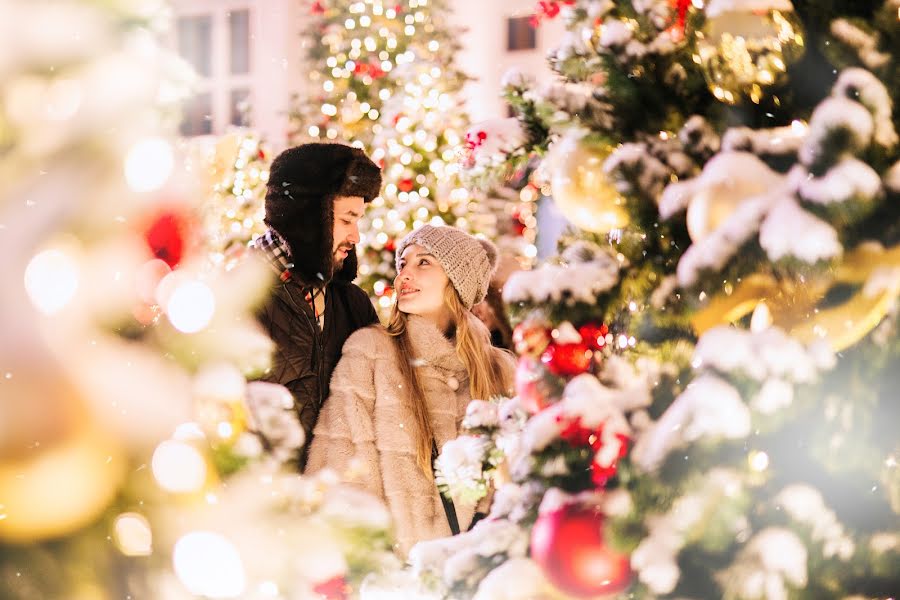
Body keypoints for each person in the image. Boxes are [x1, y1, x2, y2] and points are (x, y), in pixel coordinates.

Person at [307, 225, 516, 555]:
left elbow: (514, 482)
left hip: (471, 574)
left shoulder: (499, 372)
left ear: (456, 281)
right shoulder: (371, 352)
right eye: (402, 263)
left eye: (423, 263)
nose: (404, 274)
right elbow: (341, 472)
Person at [251, 142, 382, 469]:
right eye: (347, 220)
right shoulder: (241, 302)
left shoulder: (353, 305)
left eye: (358, 221)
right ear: (309, 219)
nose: (355, 237)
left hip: (336, 503)